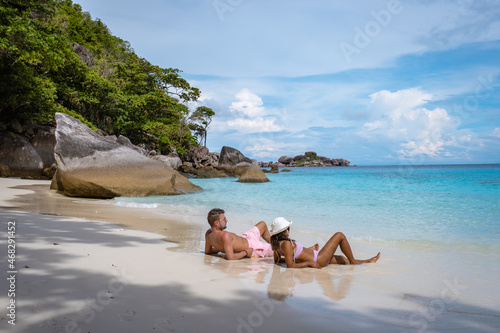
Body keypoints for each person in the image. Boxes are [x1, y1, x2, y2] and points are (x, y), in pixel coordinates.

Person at [270, 217, 380, 269]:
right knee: (339, 235)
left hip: (316, 256)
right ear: (283, 230)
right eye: (287, 228)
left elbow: (278, 260)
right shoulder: (286, 244)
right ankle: (354, 263)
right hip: (318, 259)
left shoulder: (276, 244)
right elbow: (290, 265)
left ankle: (369, 261)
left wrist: (307, 251)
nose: (289, 230)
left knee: (342, 258)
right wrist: (309, 263)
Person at [205, 208, 273, 260]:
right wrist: (246, 252)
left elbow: (208, 251)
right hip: (252, 247)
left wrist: (223, 248)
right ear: (216, 223)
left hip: (245, 237)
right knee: (276, 247)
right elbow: (231, 257)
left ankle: (272, 242)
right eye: (224, 219)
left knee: (262, 224)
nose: (226, 220)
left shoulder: (208, 234)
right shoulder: (225, 235)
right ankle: (274, 245)